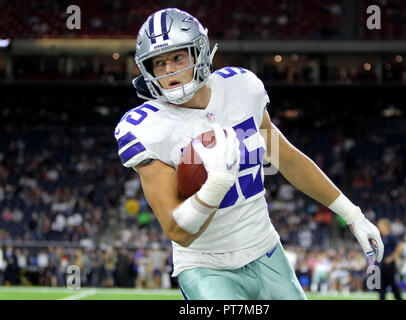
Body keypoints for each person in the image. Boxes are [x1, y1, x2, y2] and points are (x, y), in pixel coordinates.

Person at [114, 8, 384, 300]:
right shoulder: (148, 127)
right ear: (147, 70)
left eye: (178, 57)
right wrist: (217, 182)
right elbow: (177, 230)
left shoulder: (240, 88)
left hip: (266, 251)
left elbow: (288, 160)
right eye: (160, 63)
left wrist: (353, 215)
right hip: (206, 266)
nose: (170, 71)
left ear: (199, 52)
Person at [376, 218, 403, 300]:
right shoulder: (382, 237)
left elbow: (401, 246)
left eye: (380, 225)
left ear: (386, 226)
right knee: (381, 286)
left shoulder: (391, 237)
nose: (379, 227)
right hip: (382, 264)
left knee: (392, 284)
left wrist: (392, 257)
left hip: (389, 265)